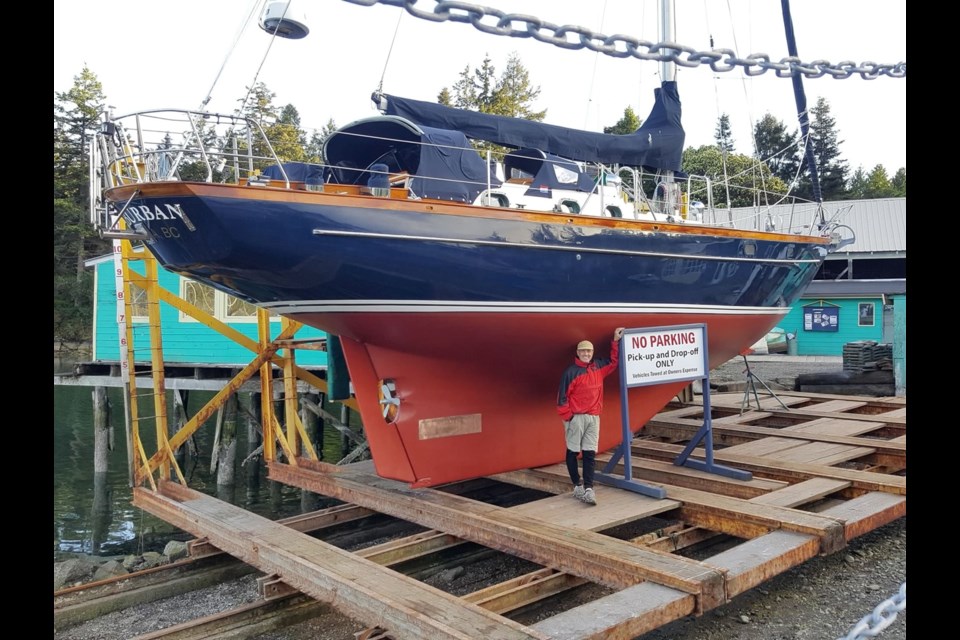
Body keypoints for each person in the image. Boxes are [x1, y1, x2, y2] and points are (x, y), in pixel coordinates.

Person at [556, 327, 624, 505]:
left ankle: (589, 488)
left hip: (594, 417)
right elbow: (561, 398)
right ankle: (576, 486)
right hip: (576, 418)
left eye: (589, 351)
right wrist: (570, 417)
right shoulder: (570, 372)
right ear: (578, 353)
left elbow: (614, 362)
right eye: (583, 351)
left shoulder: (598, 367)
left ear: (592, 353)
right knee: (572, 451)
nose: (586, 354)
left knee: (589, 453)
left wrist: (615, 341)